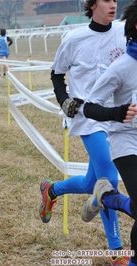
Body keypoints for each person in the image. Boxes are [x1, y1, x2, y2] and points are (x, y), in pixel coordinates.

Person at [38, 0, 130, 264]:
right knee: (109, 181)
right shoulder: (74, 39)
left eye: (115, 0)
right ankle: (117, 251)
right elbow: (57, 74)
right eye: (106, 0)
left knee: (93, 182)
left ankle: (51, 190)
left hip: (116, 114)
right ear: (92, 5)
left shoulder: (124, 31)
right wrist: (63, 99)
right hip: (87, 117)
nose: (113, 4)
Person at [81, 1, 137, 264]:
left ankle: (107, 197)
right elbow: (90, 108)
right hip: (124, 141)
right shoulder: (121, 67)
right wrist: (118, 112)